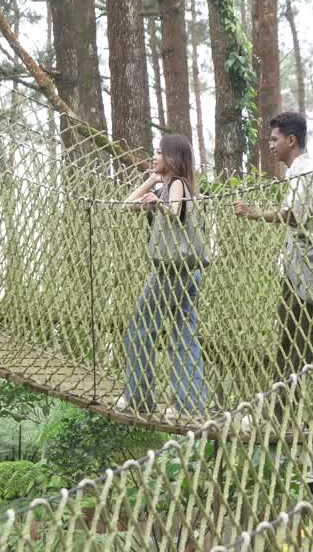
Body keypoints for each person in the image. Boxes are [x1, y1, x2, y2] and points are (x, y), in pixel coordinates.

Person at [233, 112, 313, 386]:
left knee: (294, 338)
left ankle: (282, 401)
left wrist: (253, 212)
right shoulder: (306, 170)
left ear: (291, 140)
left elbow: (291, 215)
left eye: (274, 139)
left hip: (309, 271)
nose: (270, 145)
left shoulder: (304, 172)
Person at [116, 134, 208, 419]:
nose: (154, 156)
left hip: (172, 271)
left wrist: (158, 201)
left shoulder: (177, 184)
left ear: (172, 158)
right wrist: (152, 181)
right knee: (184, 335)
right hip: (189, 270)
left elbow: (175, 210)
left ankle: (139, 398)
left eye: (159, 152)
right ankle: (189, 405)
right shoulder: (167, 186)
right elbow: (126, 206)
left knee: (140, 330)